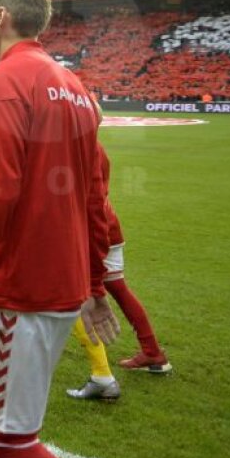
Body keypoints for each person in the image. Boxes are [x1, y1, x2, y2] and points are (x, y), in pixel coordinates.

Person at [0, 0, 118, 458]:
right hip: (58, 285)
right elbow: (96, 198)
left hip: (18, 290)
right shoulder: (75, 89)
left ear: (1, 17)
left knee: (11, 445)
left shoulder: (3, 80)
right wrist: (95, 283)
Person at [66, 138, 172, 401]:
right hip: (104, 226)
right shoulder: (93, 146)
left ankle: (103, 373)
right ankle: (152, 352)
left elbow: (88, 199)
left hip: (96, 231)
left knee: (78, 296)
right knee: (116, 290)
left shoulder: (81, 147)